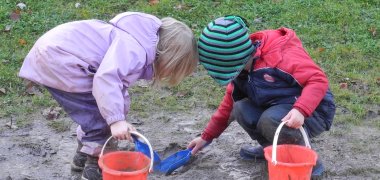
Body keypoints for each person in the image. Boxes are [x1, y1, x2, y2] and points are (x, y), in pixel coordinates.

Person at [19, 12, 198, 180]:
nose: (166, 75)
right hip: (62, 60)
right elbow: (107, 79)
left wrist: (121, 118)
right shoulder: (134, 51)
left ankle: (80, 162)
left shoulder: (136, 40)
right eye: (172, 70)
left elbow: (116, 87)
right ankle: (93, 171)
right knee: (102, 124)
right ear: (167, 56)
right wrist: (115, 121)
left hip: (56, 55)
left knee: (96, 119)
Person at [187, 15, 335, 179]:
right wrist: (206, 137)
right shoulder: (241, 71)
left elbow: (318, 80)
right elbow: (227, 107)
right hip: (277, 109)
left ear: (233, 60)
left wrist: (301, 110)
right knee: (240, 108)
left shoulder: (281, 58)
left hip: (313, 112)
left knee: (269, 119)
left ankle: (306, 161)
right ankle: (273, 150)